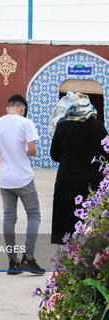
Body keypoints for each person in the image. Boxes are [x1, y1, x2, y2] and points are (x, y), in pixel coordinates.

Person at [0, 94, 45, 275]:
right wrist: (21, 153)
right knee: (34, 215)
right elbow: (33, 151)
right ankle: (28, 258)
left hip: (5, 180)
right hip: (24, 178)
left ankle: (12, 262)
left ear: (7, 107)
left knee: (9, 218)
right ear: (23, 108)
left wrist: (6, 154)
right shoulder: (26, 123)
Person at [50, 92, 107, 244]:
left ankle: (67, 256)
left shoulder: (62, 127)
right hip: (92, 182)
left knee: (67, 218)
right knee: (90, 220)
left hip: (67, 181)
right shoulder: (99, 127)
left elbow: (54, 155)